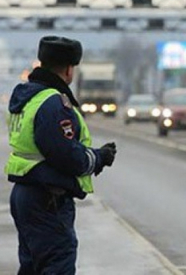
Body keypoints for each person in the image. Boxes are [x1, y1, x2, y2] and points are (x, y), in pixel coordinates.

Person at [5, 36, 117, 274]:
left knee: (32, 265)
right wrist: (99, 157)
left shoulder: (27, 97)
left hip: (25, 193)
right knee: (58, 262)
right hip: (47, 199)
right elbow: (66, 155)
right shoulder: (53, 103)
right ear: (68, 69)